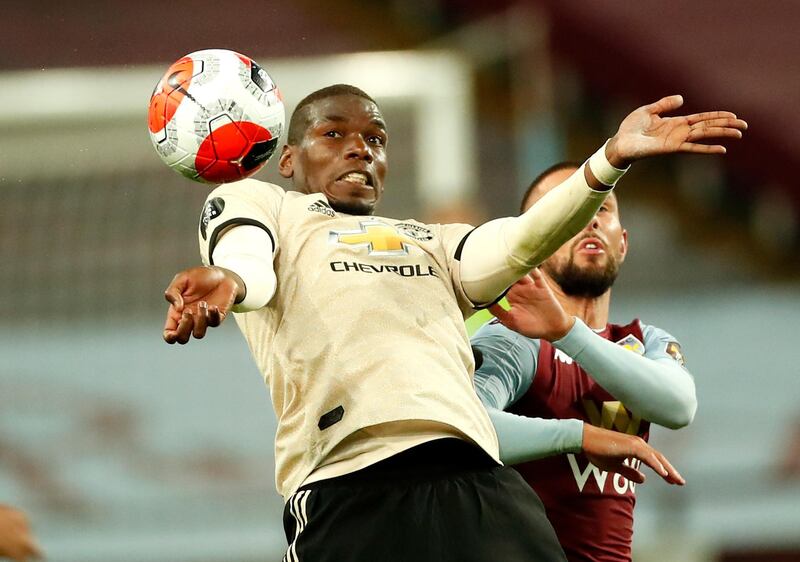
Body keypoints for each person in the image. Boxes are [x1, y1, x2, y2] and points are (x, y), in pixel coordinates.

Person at [162, 83, 745, 561]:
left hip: (478, 481)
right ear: (287, 159)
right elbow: (248, 261)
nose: (360, 148)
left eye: (375, 138)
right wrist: (232, 283)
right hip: (349, 482)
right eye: (333, 133)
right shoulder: (265, 204)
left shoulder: (433, 243)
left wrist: (608, 161)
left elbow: (520, 241)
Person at [470, 163, 698, 561]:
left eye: (602, 208)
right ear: (531, 243)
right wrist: (581, 435)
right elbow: (465, 425)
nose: (589, 220)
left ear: (623, 243)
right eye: (568, 208)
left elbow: (678, 407)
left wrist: (567, 332)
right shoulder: (513, 338)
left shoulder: (646, 342)